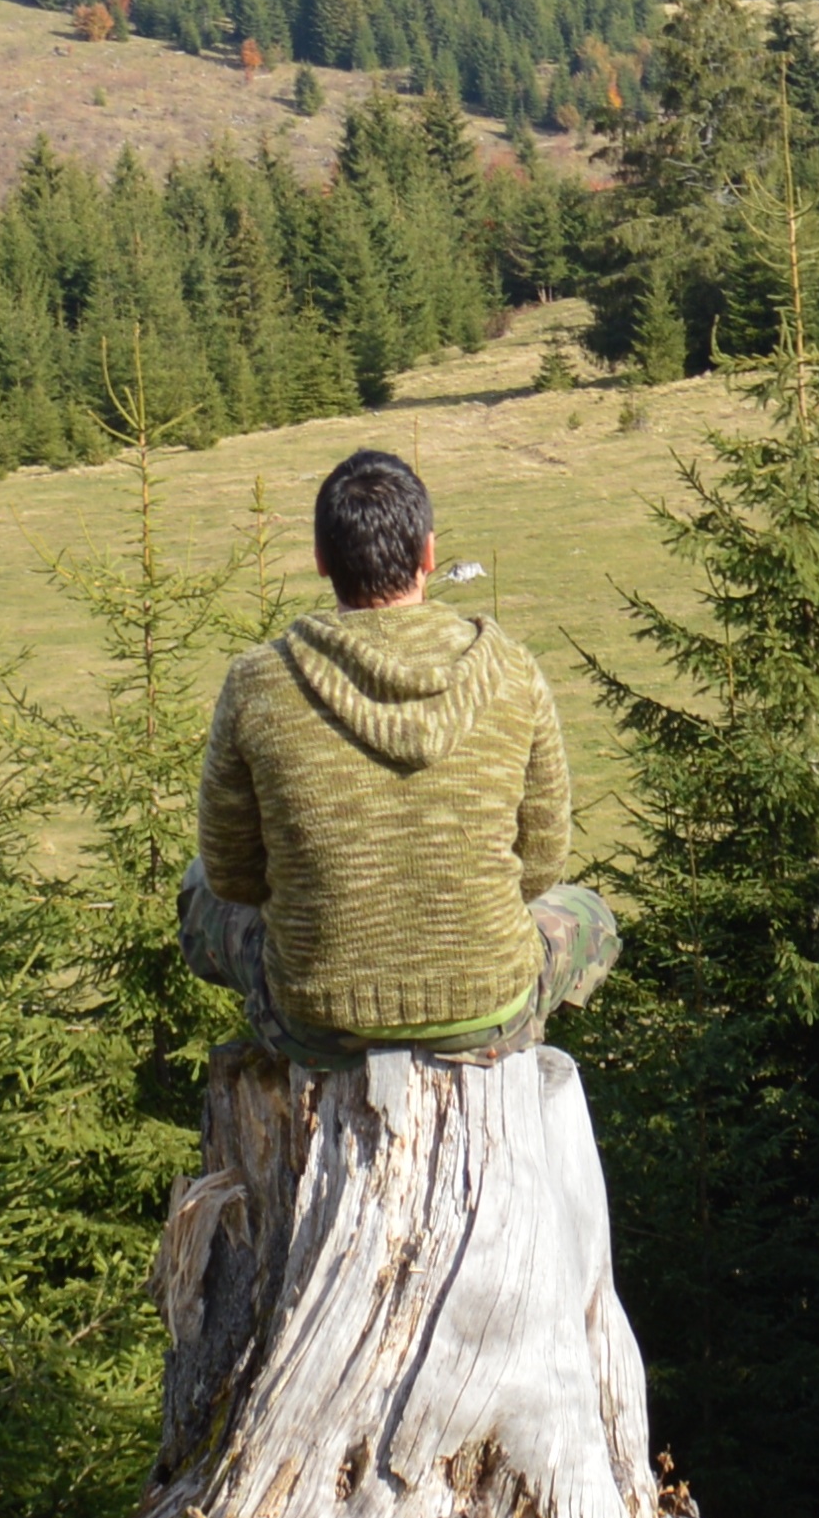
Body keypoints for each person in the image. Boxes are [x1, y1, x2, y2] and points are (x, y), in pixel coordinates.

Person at [180, 444, 618, 1066]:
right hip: (489, 1011)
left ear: (321, 561)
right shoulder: (513, 673)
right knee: (586, 912)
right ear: (429, 555)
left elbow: (231, 876)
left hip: (313, 1022)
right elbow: (541, 867)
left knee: (198, 889)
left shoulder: (257, 683)